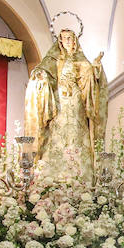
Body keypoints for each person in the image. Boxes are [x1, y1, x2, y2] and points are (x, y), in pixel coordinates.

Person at [25, 24, 109, 187]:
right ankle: (53, 172)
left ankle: (80, 171)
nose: (67, 41)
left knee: (77, 130)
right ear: (60, 42)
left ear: (75, 40)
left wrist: (97, 67)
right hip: (59, 101)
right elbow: (44, 72)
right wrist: (40, 74)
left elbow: (91, 79)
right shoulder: (53, 59)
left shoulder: (80, 60)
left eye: (70, 38)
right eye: (64, 39)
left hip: (76, 100)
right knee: (57, 132)